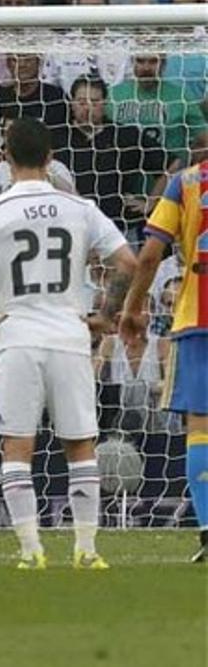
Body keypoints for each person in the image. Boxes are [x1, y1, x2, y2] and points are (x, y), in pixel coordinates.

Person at [0, 117, 137, 570]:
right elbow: (126, 261)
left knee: (17, 447)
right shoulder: (80, 208)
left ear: (7, 158)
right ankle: (87, 551)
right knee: (81, 445)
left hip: (18, 337)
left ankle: (32, 552)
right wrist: (106, 316)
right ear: (50, 159)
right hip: (70, 335)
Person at [119, 159, 208, 563]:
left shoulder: (185, 181)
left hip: (196, 319)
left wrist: (132, 306)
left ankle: (207, 527)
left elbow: (151, 254)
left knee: (201, 427)